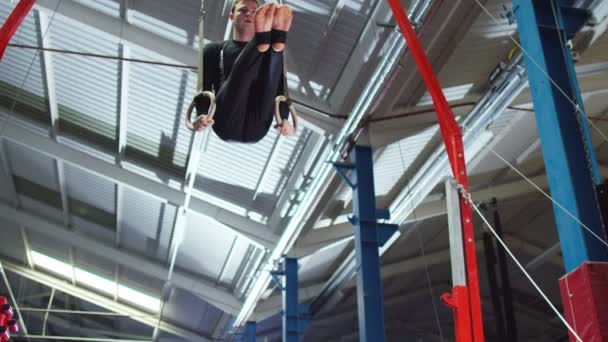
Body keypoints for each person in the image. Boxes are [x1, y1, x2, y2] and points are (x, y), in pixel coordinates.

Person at [193, 0, 295, 143]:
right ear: (232, 16)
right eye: (242, 10)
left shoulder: (271, 55)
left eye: (255, 11)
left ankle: (273, 42)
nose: (249, 13)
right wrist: (202, 114)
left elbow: (279, 89)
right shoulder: (214, 50)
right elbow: (203, 88)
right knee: (239, 77)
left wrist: (284, 118)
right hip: (227, 120)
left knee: (271, 70)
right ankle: (272, 38)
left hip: (258, 123)